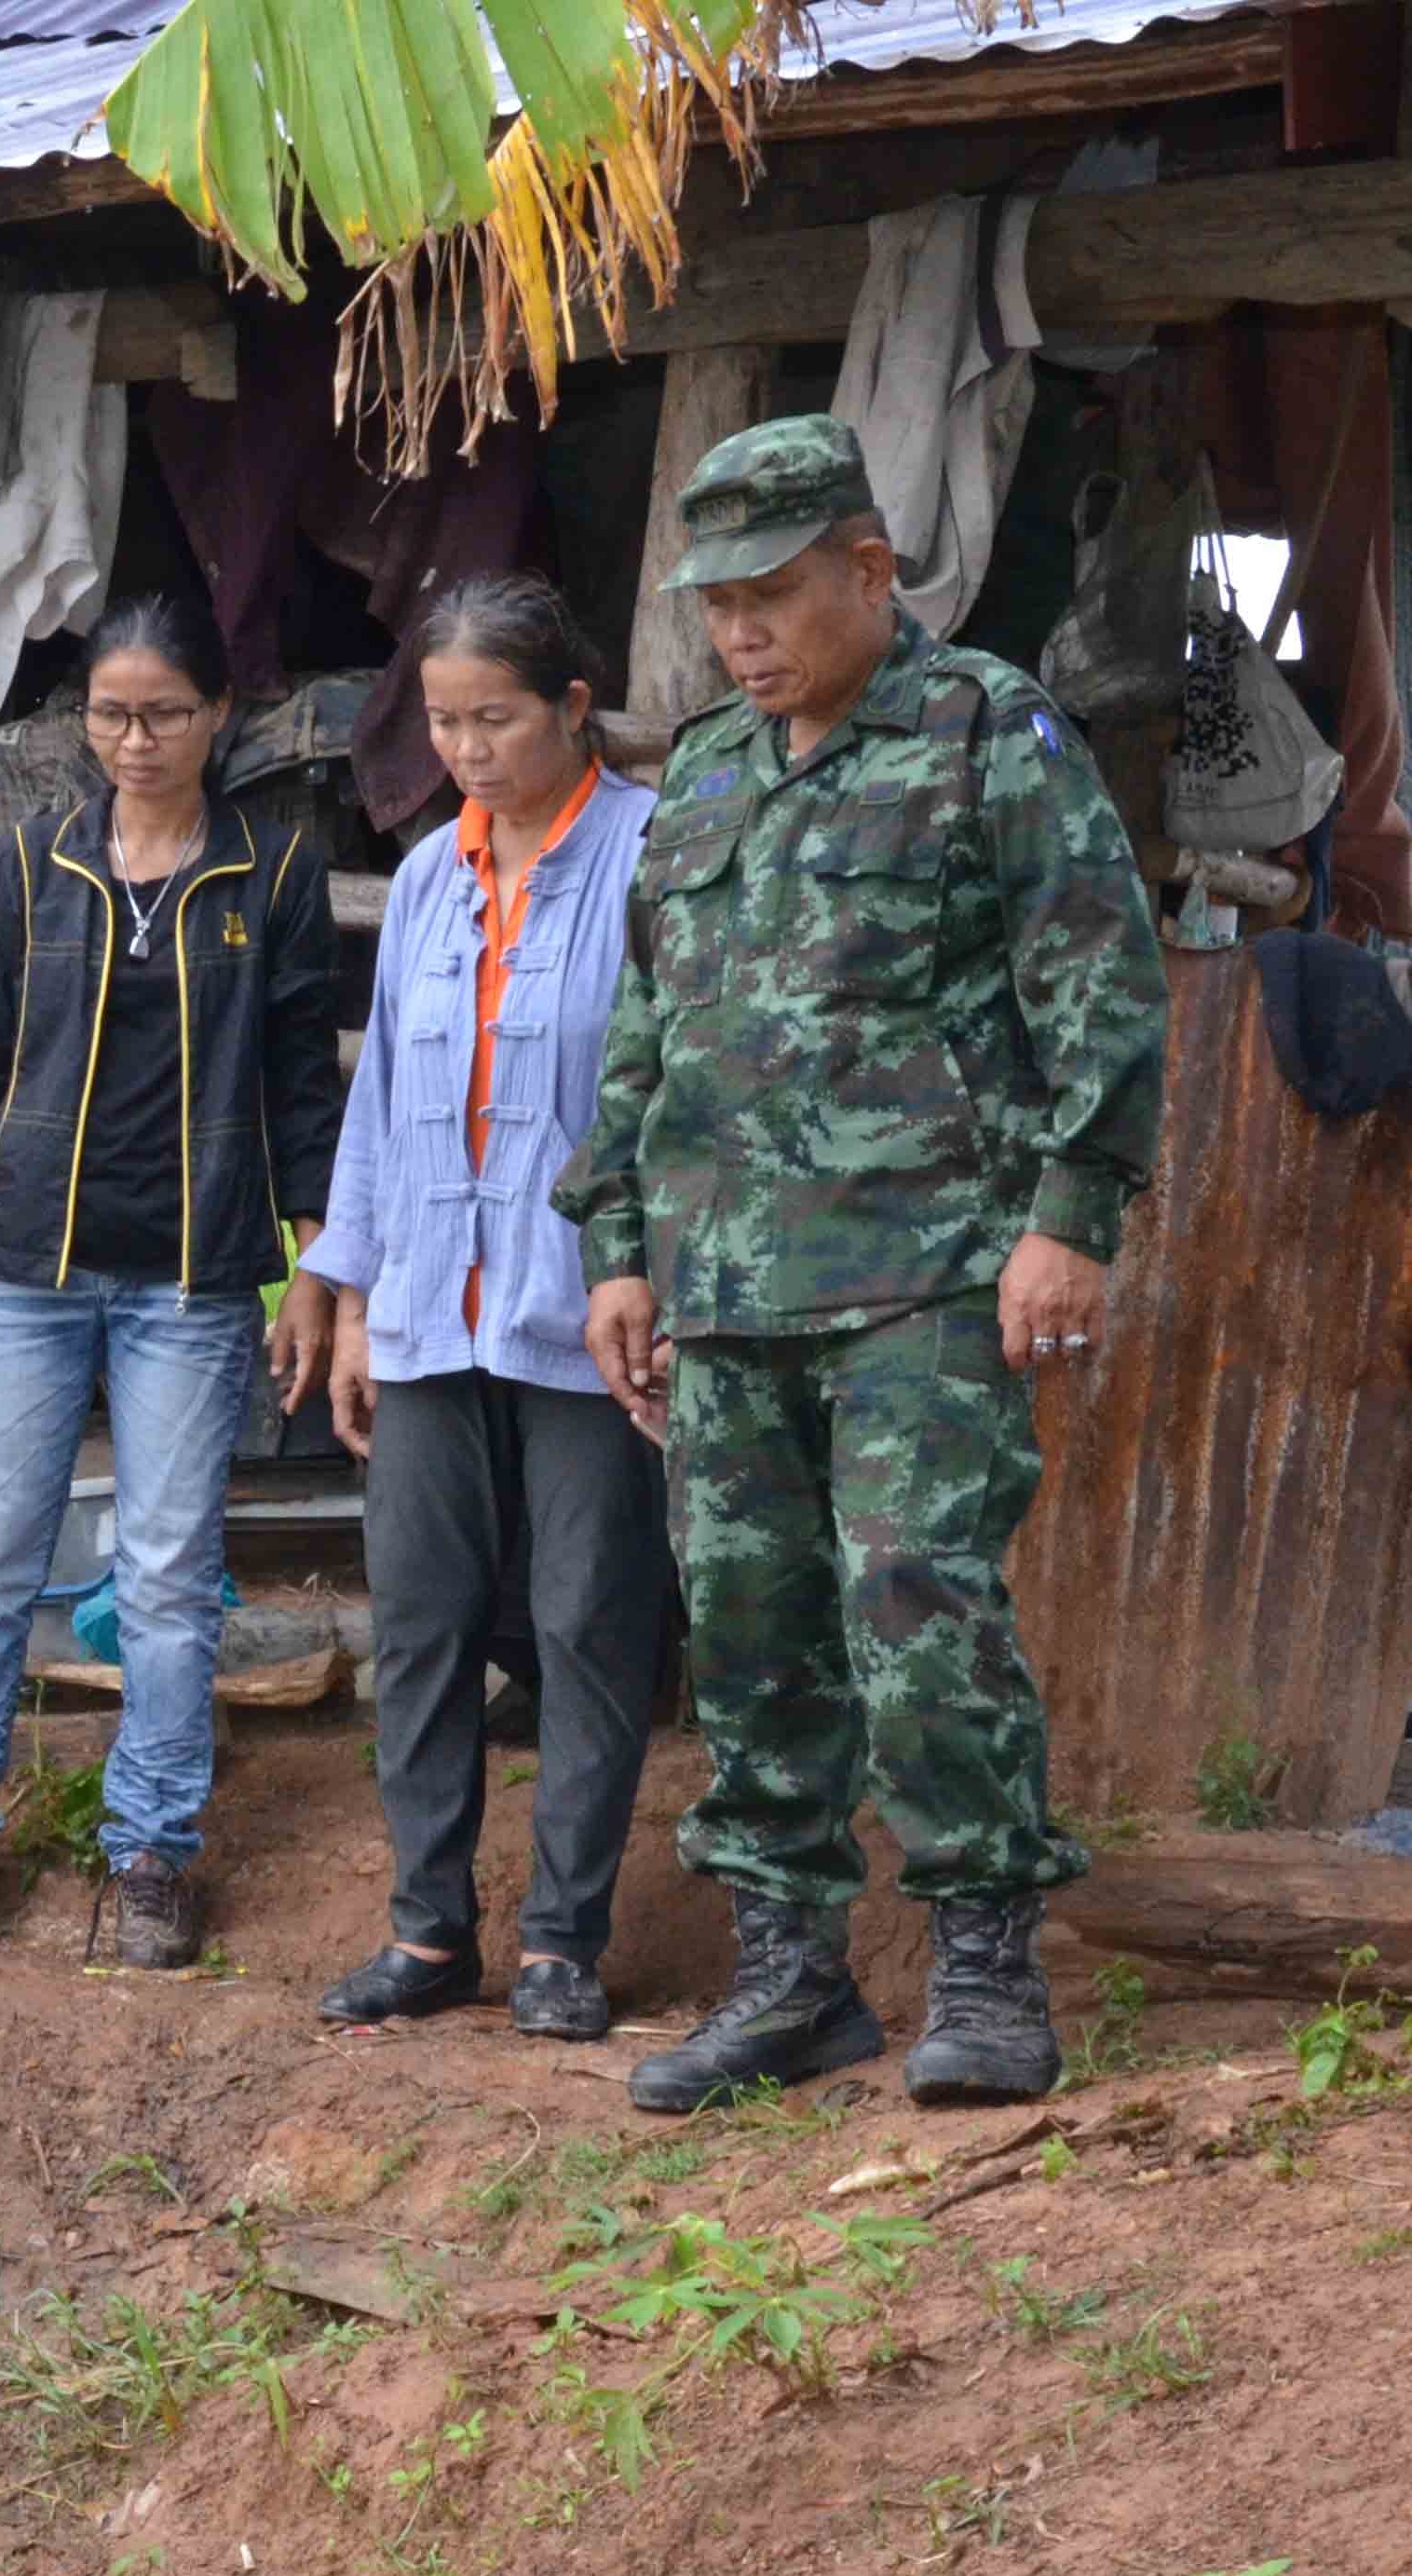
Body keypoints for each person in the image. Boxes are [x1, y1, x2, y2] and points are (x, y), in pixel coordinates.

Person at [559, 415, 1168, 2117]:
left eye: (766, 594)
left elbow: (1098, 979)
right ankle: (789, 1977)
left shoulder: (985, 728)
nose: (736, 633)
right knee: (746, 1627)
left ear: (866, 567)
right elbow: (646, 1028)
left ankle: (981, 1961)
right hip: (722, 1289)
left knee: (916, 1602)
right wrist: (615, 1243)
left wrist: (1070, 1212)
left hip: (927, 1272)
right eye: (713, 604)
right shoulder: (696, 773)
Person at [0, 593, 346, 1969]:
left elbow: (299, 1088)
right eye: (110, 713)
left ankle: (151, 1851)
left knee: (166, 1575)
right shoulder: (25, 871)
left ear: (221, 716)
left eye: (164, 713)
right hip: (28, 1269)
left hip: (197, 1284)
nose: (135, 740)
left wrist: (309, 1268)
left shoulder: (272, 875)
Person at [278, 576, 670, 2044]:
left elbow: (677, 1093)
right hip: (436, 1305)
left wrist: (665, 1279)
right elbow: (382, 1093)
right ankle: (429, 1931)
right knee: (427, 1618)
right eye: (443, 723)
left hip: (589, 1311)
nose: (467, 751)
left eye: (494, 718)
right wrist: (360, 1293)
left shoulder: (649, 857)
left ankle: (565, 1940)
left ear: (574, 708)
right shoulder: (437, 870)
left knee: (585, 1619)